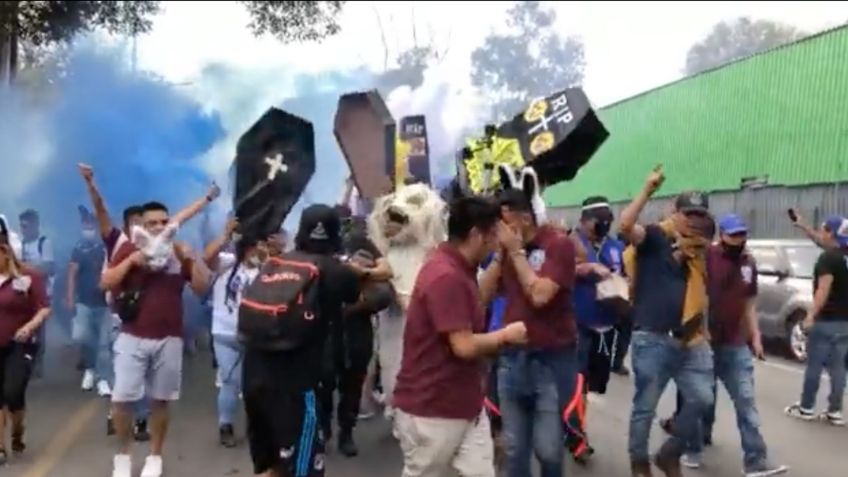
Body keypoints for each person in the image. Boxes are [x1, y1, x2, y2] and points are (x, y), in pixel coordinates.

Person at [79, 163, 217, 439]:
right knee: (122, 379)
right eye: (145, 223)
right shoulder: (120, 243)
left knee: (153, 386)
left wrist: (207, 199)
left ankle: (142, 424)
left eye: (161, 223)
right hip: (121, 318)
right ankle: (119, 415)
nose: (156, 227)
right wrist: (91, 185)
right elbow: (101, 212)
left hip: (159, 328)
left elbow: (181, 217)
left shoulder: (169, 245)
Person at [392, 196, 528, 477]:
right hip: (433, 407)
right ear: (476, 235)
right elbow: (463, 345)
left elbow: (475, 303)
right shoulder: (446, 275)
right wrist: (506, 335)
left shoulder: (455, 267)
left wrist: (503, 257)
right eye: (493, 236)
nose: (495, 243)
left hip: (464, 402)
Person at [241, 204, 361, 477]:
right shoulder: (333, 270)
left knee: (270, 465)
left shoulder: (274, 263)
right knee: (303, 468)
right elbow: (359, 293)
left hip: (254, 376)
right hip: (295, 385)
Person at [619, 166, 716, 477]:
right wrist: (647, 190)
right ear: (676, 212)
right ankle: (639, 463)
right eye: (689, 213)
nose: (694, 221)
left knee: (702, 399)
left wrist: (705, 328)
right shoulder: (656, 237)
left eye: (700, 215)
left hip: (692, 340)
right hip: (653, 338)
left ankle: (669, 454)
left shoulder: (702, 251)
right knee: (645, 408)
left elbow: (702, 295)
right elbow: (625, 225)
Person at [103, 201, 211, 477]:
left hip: (170, 338)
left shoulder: (177, 251)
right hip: (132, 336)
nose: (160, 227)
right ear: (143, 226)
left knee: (161, 400)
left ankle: (155, 456)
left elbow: (201, 289)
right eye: (153, 223)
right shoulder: (130, 248)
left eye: (164, 222)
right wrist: (130, 262)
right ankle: (123, 456)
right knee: (122, 400)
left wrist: (190, 259)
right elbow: (105, 283)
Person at [478, 188, 578, 477]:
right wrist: (500, 256)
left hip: (551, 359)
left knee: (548, 448)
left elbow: (540, 296)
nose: (498, 230)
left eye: (503, 222)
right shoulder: (506, 252)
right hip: (513, 358)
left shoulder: (558, 245)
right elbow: (481, 298)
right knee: (513, 448)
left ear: (524, 217)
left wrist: (516, 252)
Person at [320, 205, 393, 457]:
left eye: (345, 221)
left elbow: (386, 272)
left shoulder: (360, 243)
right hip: (326, 329)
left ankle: (346, 433)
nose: (343, 225)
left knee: (352, 386)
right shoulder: (317, 248)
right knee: (324, 383)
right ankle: (324, 430)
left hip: (356, 328)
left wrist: (361, 271)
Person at [567, 196, 628, 462]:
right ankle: (577, 437)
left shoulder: (614, 246)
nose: (603, 225)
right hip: (577, 326)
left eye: (607, 220)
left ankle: (571, 425)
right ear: (584, 220)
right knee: (576, 383)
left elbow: (623, 274)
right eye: (598, 221)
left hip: (606, 326)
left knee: (591, 384)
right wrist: (585, 268)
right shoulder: (569, 244)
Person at [203, 218, 266, 447]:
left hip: (257, 336)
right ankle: (225, 425)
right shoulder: (227, 263)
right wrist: (226, 234)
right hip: (225, 334)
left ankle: (257, 427)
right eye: (252, 246)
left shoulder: (267, 268)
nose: (255, 250)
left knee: (257, 384)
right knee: (231, 382)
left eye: (259, 245)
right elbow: (207, 257)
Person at [785, 216, 848, 426]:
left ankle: (806, 407)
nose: (821, 234)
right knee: (839, 368)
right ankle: (835, 411)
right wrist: (804, 226)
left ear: (831, 233)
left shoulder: (828, 259)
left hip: (826, 321)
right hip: (845, 322)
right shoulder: (841, 255)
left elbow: (823, 290)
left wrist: (810, 316)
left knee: (815, 365)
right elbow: (823, 242)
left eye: (823, 230)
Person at [0, 234, 51, 465]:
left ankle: (17, 432)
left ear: (5, 251)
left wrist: (29, 326)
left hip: (20, 344)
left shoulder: (29, 277)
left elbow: (44, 308)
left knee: (12, 393)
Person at [67, 211, 113, 396]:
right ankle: (90, 370)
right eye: (85, 226)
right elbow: (72, 273)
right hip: (84, 302)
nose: (88, 230)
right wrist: (70, 297)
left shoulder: (106, 247)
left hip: (104, 303)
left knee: (103, 344)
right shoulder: (79, 248)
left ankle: (103, 379)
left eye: (90, 226)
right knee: (83, 338)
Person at [18, 209, 55, 379]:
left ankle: (37, 362)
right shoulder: (20, 245)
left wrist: (25, 268)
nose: (24, 229)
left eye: (27, 225)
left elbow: (48, 268)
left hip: (42, 294)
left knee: (39, 330)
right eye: (22, 226)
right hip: (23, 295)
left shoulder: (44, 243)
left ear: (36, 224)